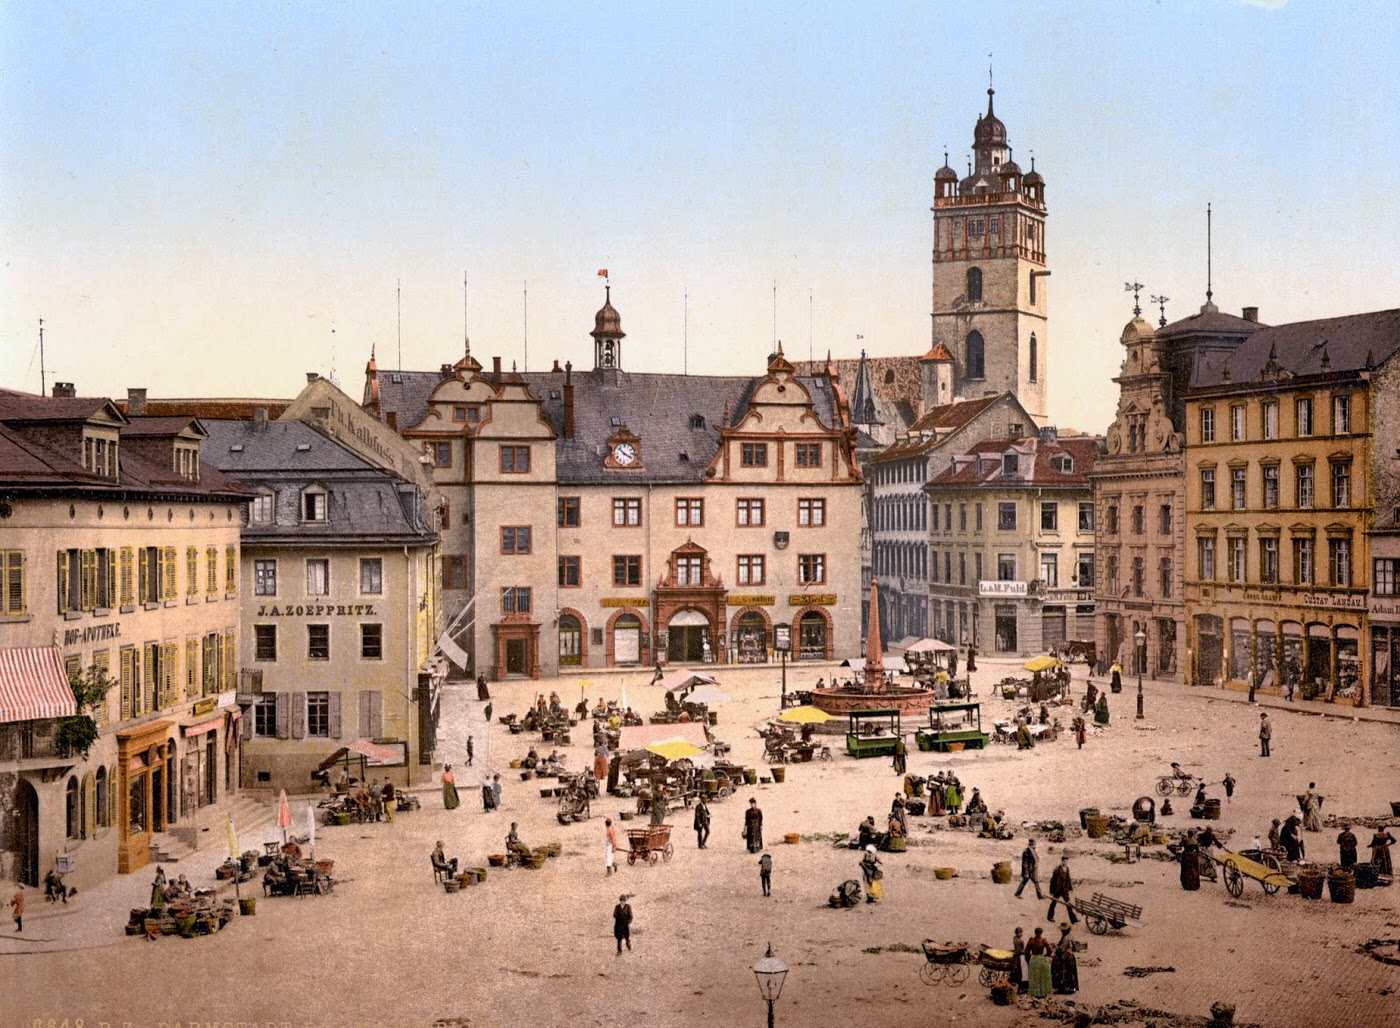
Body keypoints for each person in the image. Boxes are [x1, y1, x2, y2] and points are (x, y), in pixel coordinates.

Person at [1047, 854, 1077, 923]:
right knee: (1053, 903)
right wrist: (1051, 890)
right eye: (1064, 861)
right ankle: (1050, 917)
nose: (1065, 863)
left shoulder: (1067, 868)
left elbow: (1068, 879)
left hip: (1065, 890)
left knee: (1068, 904)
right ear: (1062, 861)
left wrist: (1070, 887)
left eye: (1066, 861)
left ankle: (1073, 920)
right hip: (1057, 890)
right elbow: (1052, 881)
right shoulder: (1057, 870)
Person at [1025, 928, 1054, 998]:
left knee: (1034, 976)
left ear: (1035, 933)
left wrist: (1028, 959)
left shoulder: (1031, 940)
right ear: (1041, 933)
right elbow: (1050, 950)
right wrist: (1046, 955)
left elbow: (1026, 951)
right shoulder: (1043, 940)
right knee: (1042, 976)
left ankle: (1035, 992)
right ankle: (1042, 992)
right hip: (1041, 959)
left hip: (1034, 959)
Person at [1052, 924, 1080, 994]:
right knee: (1070, 973)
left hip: (1066, 957)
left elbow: (1062, 949)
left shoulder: (1065, 938)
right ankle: (1070, 988)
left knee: (1062, 971)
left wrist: (1055, 946)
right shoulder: (1070, 936)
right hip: (1071, 956)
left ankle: (1063, 989)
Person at [1011, 927, 1027, 993]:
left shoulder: (1014, 938)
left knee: (1017, 971)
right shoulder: (1020, 941)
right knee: (1020, 972)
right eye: (1021, 933)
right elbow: (1020, 950)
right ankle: (1020, 988)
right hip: (1019, 957)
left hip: (1016, 956)